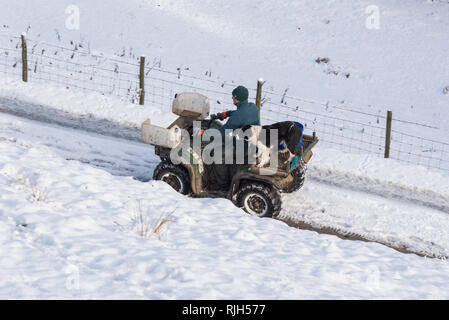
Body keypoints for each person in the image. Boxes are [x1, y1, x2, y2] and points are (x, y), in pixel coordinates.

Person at [206, 85, 260, 190]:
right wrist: (227, 114)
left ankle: (221, 185)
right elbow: (240, 112)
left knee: (217, 153)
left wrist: (205, 133)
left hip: (245, 147)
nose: (232, 98)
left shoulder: (238, 116)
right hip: (255, 142)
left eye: (233, 96)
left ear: (237, 98)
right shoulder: (253, 107)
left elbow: (222, 132)